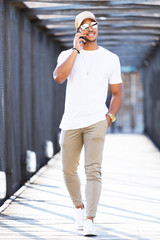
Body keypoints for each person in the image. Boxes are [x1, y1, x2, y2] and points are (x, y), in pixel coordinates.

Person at [53, 11, 122, 236]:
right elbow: (59, 77)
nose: (91, 28)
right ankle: (79, 209)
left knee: (93, 170)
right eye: (85, 25)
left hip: (96, 122)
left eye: (93, 24)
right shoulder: (67, 54)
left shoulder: (111, 58)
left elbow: (117, 94)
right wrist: (75, 50)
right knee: (67, 170)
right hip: (71, 122)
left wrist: (109, 117)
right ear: (78, 31)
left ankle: (90, 219)